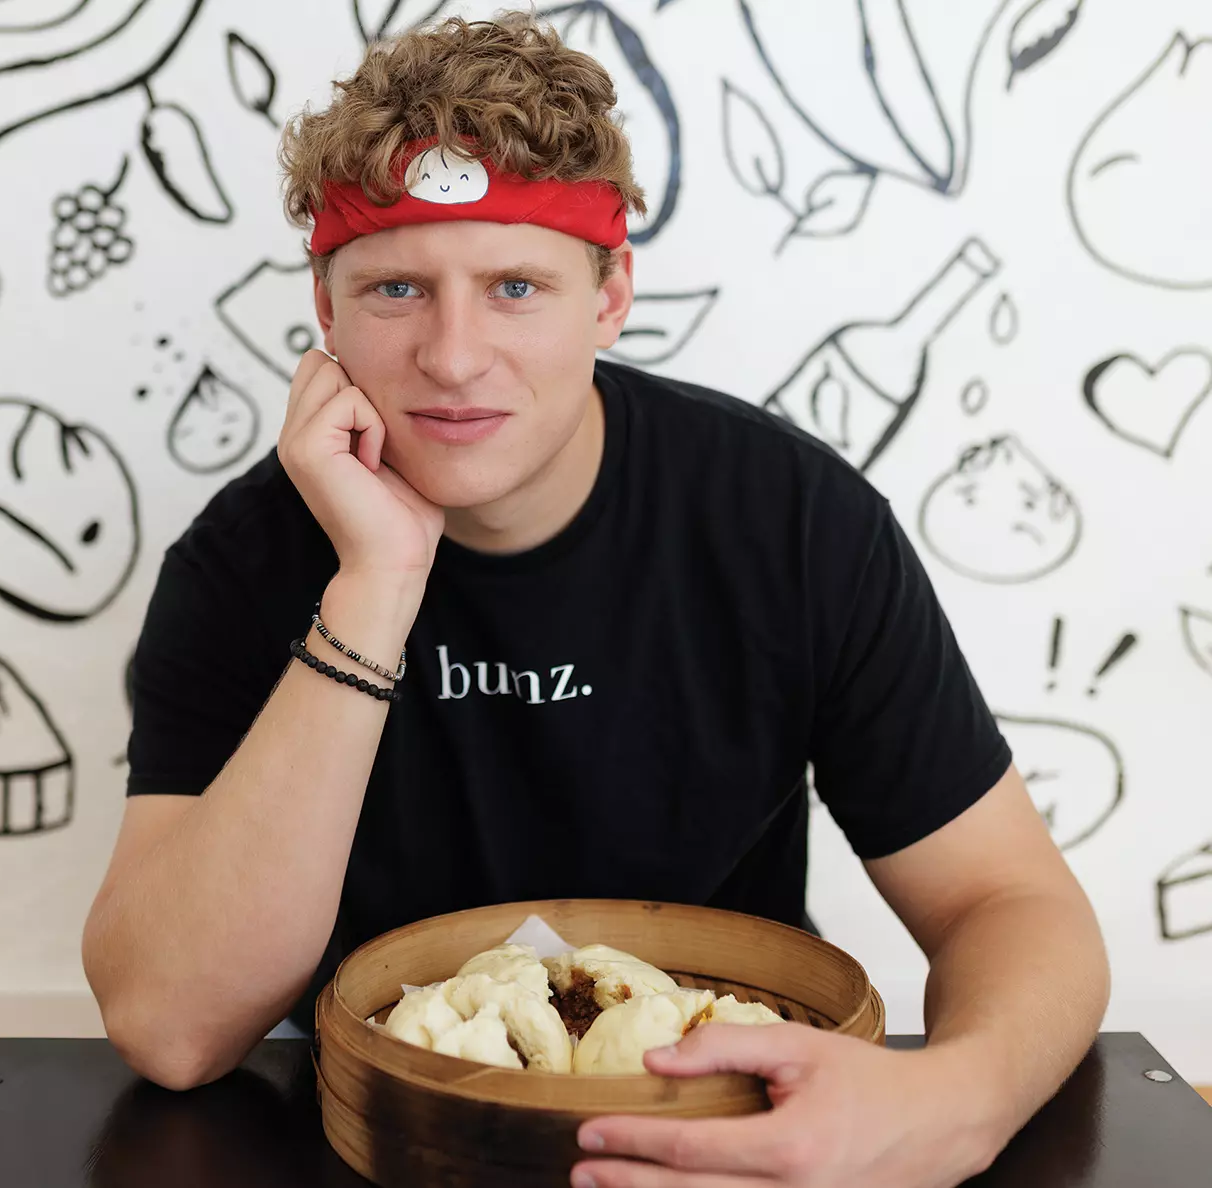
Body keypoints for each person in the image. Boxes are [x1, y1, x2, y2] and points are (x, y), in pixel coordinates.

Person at [82, 14, 1110, 1187]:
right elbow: (170, 1026)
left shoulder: (790, 520)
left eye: (515, 285)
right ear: (327, 313)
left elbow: (1010, 899)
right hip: (404, 1136)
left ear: (611, 295)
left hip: (726, 1123)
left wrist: (958, 1102)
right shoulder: (242, 558)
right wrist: (374, 585)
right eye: (397, 289)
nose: (455, 355)